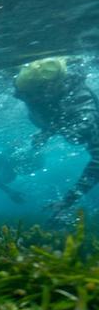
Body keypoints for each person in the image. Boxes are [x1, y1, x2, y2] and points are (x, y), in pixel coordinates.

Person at [11, 56, 99, 221]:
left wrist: (68, 200)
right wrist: (48, 132)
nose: (25, 100)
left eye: (30, 96)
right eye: (23, 96)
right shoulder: (39, 92)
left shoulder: (84, 113)